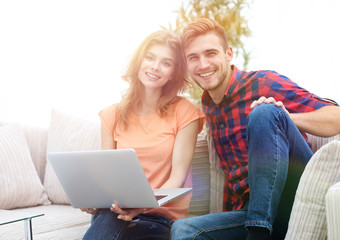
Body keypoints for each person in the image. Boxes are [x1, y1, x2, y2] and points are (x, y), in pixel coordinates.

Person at [170, 18, 340, 240]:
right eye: (193, 58)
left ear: (228, 54)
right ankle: (258, 227)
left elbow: (336, 116)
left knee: (264, 112)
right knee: (183, 230)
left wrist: (286, 118)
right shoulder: (208, 107)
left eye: (210, 53)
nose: (202, 64)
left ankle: (258, 233)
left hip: (294, 194)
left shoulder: (263, 82)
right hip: (250, 212)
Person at [81, 29, 206, 240]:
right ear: (139, 61)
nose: (155, 67)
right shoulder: (111, 115)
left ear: (173, 72)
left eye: (166, 63)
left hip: (159, 216)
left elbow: (177, 177)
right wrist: (95, 200)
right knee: (107, 217)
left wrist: (141, 206)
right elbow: (107, 177)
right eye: (150, 58)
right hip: (115, 214)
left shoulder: (185, 113)